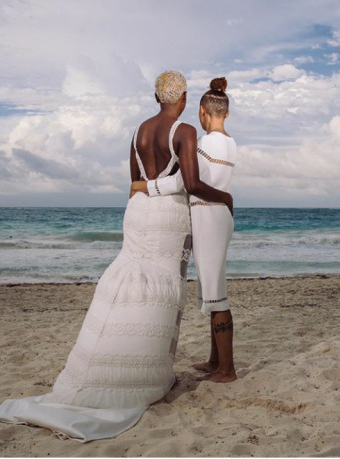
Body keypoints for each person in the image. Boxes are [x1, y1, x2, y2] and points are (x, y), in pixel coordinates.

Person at [0, 71, 232, 442]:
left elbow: (132, 181)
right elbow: (189, 184)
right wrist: (224, 199)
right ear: (184, 98)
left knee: (128, 282)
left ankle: (103, 371)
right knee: (158, 289)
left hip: (137, 210)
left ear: (158, 97)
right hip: (166, 214)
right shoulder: (186, 132)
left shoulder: (138, 132)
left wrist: (139, 206)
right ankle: (144, 378)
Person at [130, 77, 237, 383]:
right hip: (219, 216)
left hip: (207, 216)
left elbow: (181, 183)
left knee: (217, 293)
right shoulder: (231, 144)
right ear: (226, 114)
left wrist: (144, 185)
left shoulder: (202, 144)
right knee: (212, 285)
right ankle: (215, 360)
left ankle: (227, 370)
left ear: (202, 112)